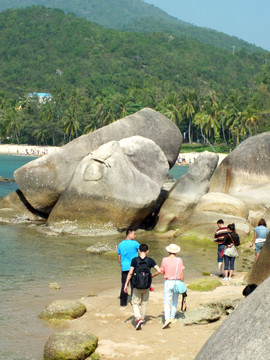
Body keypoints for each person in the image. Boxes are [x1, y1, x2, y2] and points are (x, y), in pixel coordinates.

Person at [124, 244, 160, 330]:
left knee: (135, 303)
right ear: (147, 251)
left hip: (136, 286)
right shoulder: (150, 260)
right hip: (146, 286)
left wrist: (126, 284)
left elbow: (130, 273)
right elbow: (159, 271)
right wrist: (152, 276)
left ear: (139, 251)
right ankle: (142, 320)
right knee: (144, 303)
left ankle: (138, 318)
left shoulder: (134, 260)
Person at [160, 243, 185, 329]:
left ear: (168, 251)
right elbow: (181, 273)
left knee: (166, 301)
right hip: (177, 281)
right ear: (176, 252)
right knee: (175, 300)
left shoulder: (164, 259)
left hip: (168, 282)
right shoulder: (179, 260)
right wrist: (183, 281)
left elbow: (162, 271)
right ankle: (172, 317)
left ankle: (167, 319)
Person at [117, 229, 140, 307]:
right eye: (134, 234)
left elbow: (119, 256)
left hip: (124, 267)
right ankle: (134, 302)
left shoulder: (120, 244)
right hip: (133, 267)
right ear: (129, 234)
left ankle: (123, 303)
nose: (135, 235)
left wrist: (121, 264)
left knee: (124, 284)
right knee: (134, 285)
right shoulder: (135, 243)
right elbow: (142, 252)